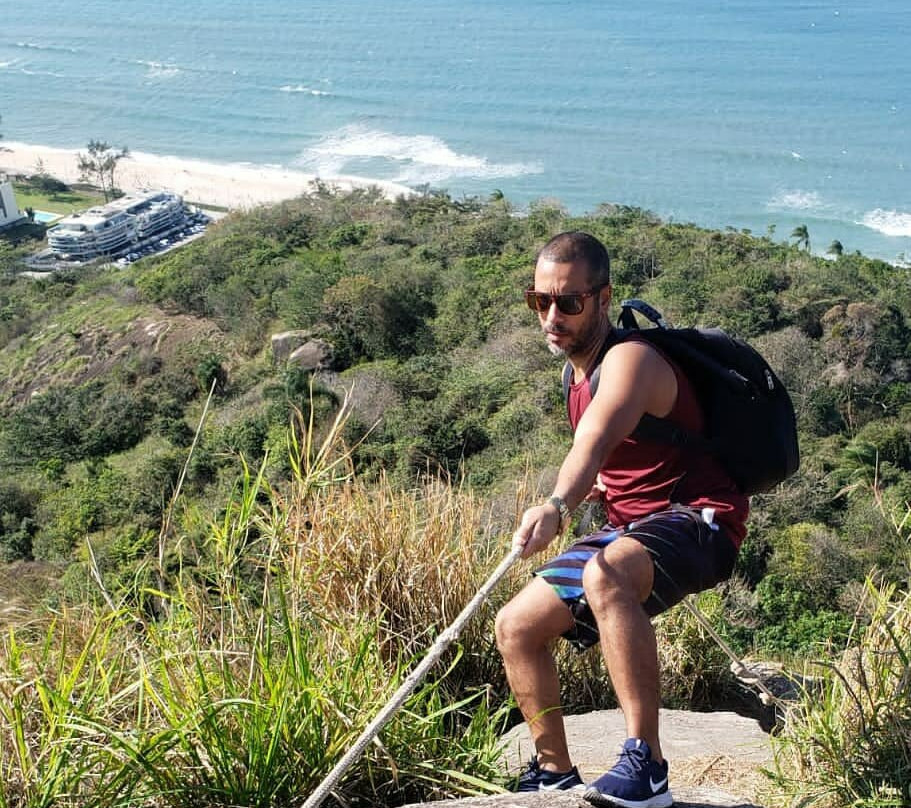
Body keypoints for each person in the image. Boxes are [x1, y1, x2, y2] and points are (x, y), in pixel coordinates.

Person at [495, 231, 749, 808]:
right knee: (516, 627)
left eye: (568, 302)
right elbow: (614, 469)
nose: (551, 316)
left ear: (603, 298)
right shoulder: (574, 378)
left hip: (701, 520)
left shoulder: (630, 360)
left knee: (604, 574)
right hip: (632, 531)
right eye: (540, 301)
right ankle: (554, 769)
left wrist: (557, 507)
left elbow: (593, 445)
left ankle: (647, 765)